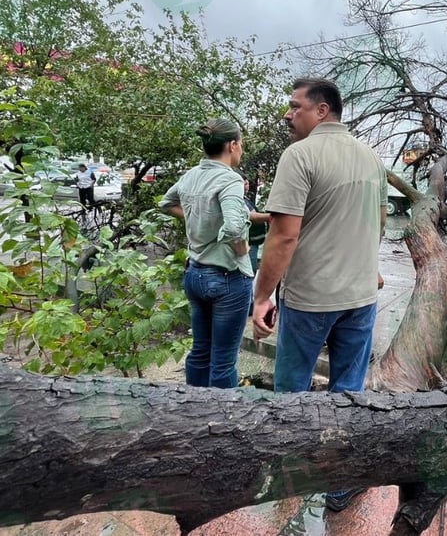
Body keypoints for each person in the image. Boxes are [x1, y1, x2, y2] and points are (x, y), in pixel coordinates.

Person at [251, 78, 387, 512]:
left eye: (295, 107)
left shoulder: (300, 155)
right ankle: (339, 483)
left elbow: (283, 237)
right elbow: (378, 223)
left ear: (322, 110)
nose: (288, 115)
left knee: (291, 388)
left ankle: (287, 475)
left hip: (311, 299)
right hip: (361, 296)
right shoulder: (372, 158)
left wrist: (262, 295)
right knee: (349, 389)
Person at [159, 118, 253, 389]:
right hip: (226, 277)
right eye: (241, 145)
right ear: (232, 145)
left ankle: (194, 410)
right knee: (223, 361)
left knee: (200, 351)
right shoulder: (229, 179)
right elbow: (235, 228)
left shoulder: (191, 175)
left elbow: (167, 203)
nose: (241, 150)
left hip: (195, 274)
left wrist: (197, 219)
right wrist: (242, 249)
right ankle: (222, 423)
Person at [242, 177, 270, 276]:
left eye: (247, 184)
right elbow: (251, 216)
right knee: (250, 270)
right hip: (248, 241)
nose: (247, 186)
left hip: (254, 240)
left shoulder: (246, 199)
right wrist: (271, 217)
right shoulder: (240, 200)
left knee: (252, 268)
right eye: (244, 184)